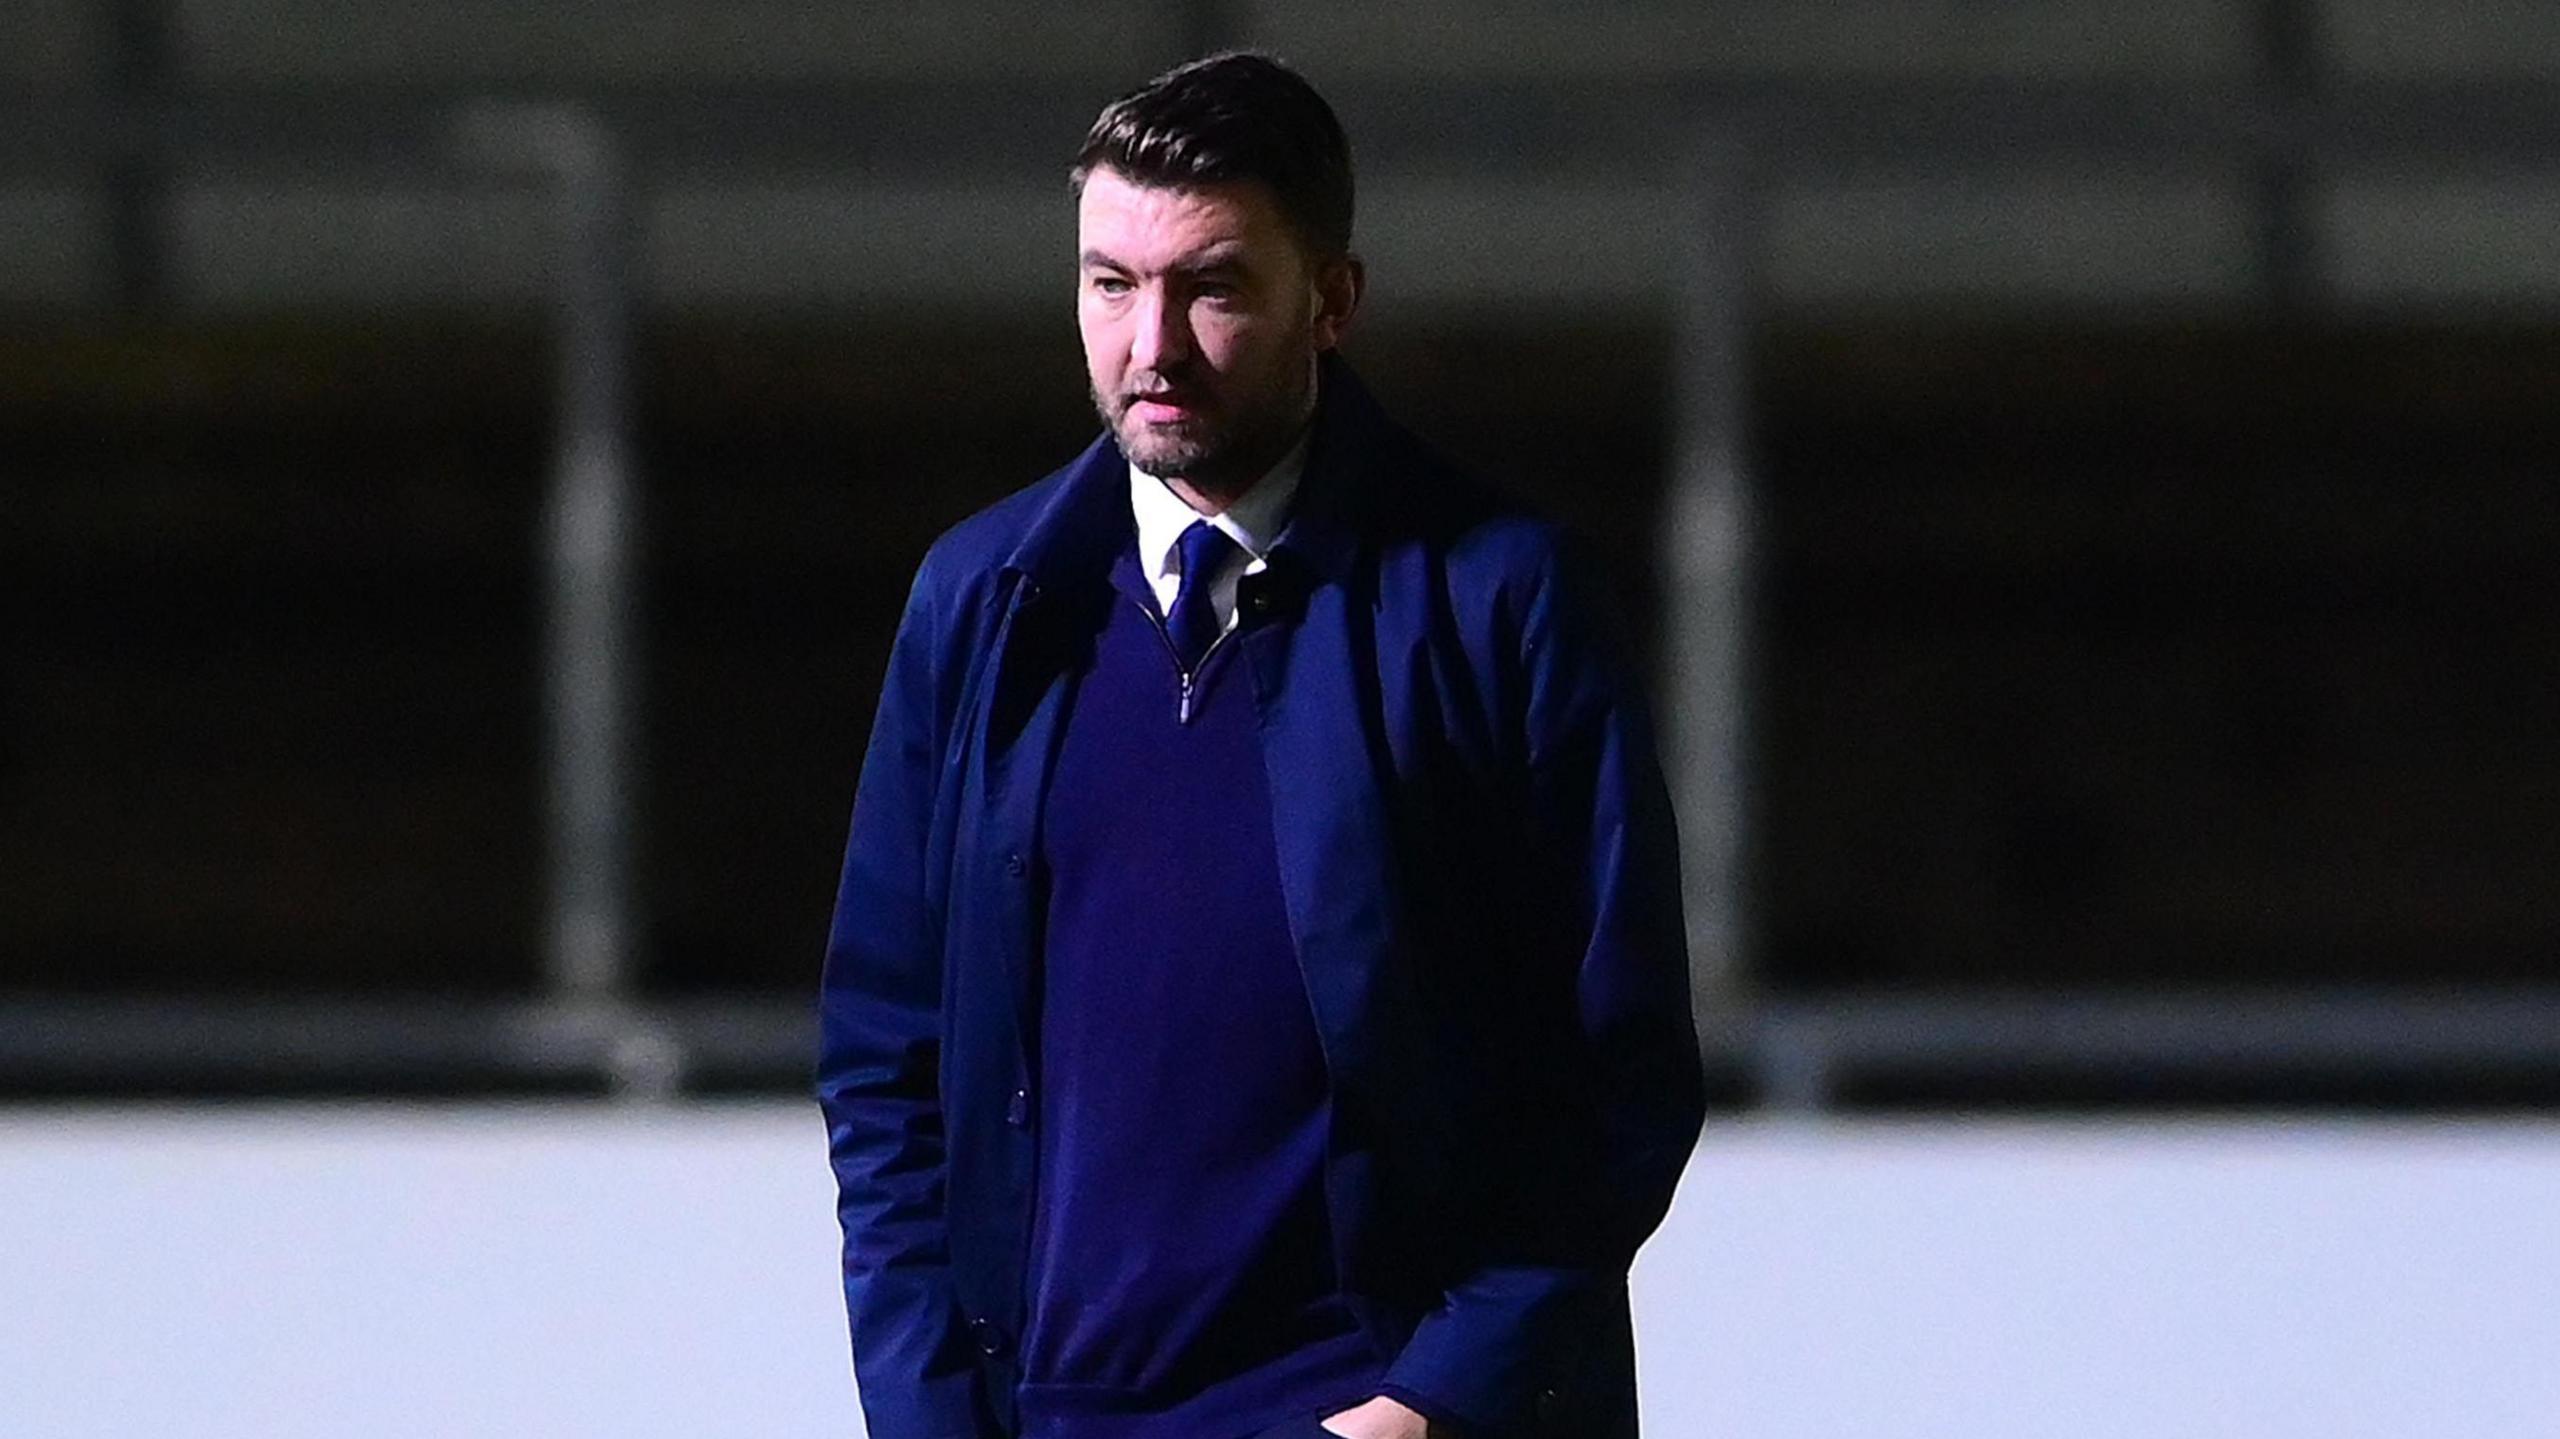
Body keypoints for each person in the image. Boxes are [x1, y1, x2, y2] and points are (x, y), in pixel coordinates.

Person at [819, 51, 1705, 1439]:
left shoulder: (1500, 597)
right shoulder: (984, 600)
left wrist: (1430, 1402)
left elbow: (1619, 1068)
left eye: (1212, 287)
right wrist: (932, 1415)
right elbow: (887, 1057)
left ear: (1332, 302)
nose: (1149, 345)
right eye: (1110, 284)